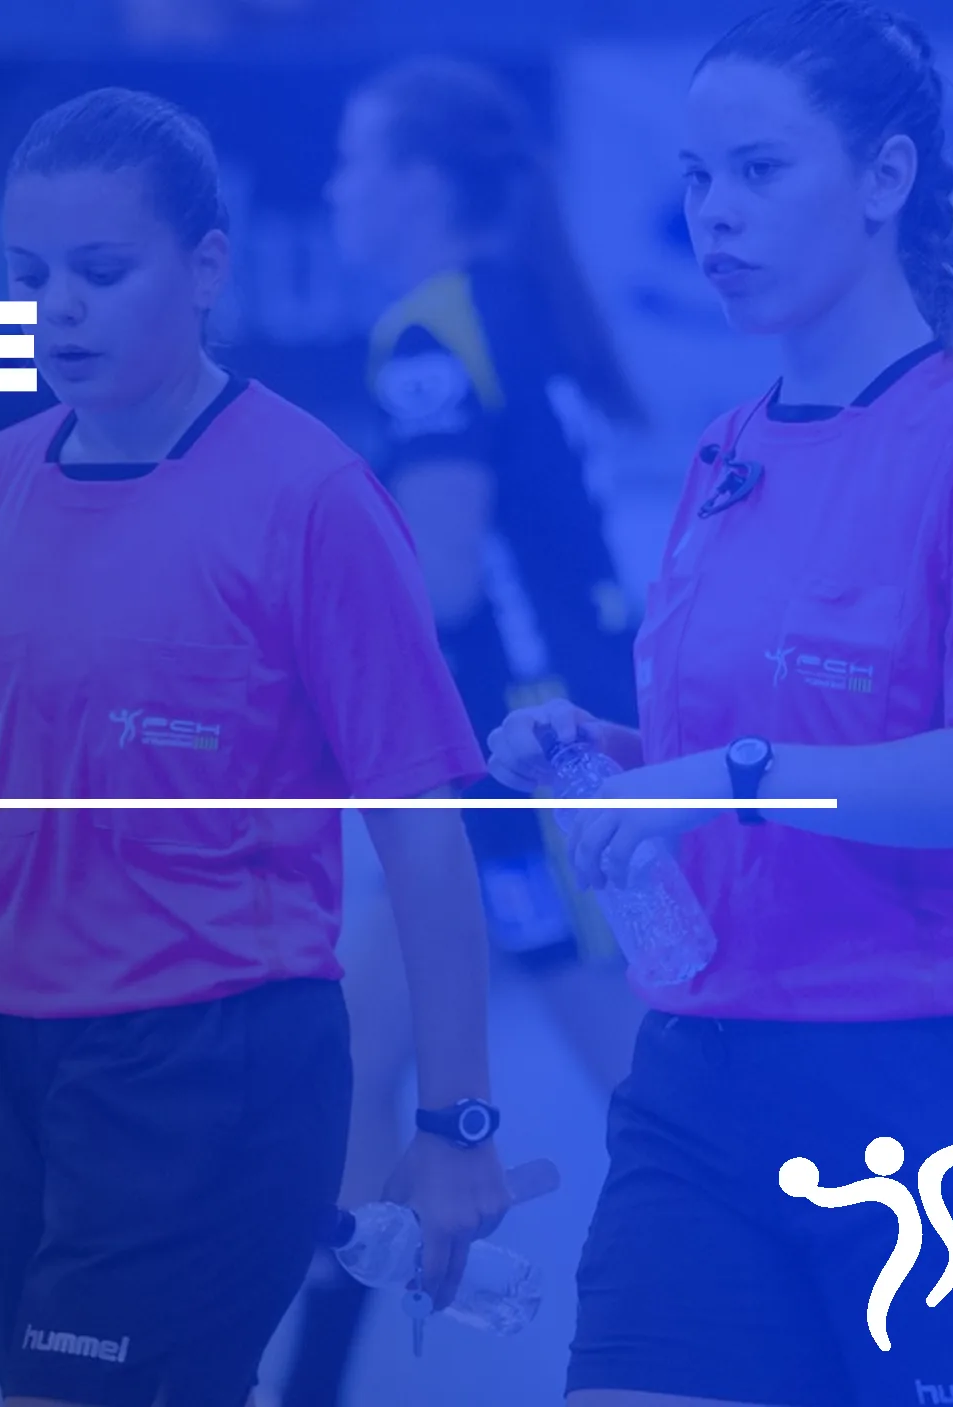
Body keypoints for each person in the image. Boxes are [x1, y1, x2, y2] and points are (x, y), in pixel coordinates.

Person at [0, 87, 517, 1407]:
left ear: (206, 267)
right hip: (13, 1065)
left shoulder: (312, 499)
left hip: (218, 1066)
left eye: (100, 271)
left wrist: (455, 1122)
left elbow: (426, 839)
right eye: (30, 275)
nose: (58, 308)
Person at [483, 5, 953, 1403]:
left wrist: (729, 774)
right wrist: (610, 758)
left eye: (760, 171)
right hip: (703, 1084)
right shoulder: (725, 450)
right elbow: (732, 756)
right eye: (697, 178)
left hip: (939, 1089)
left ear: (884, 178)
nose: (717, 213)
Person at [277, 54, 652, 1406]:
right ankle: (309, 1379)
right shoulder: (522, 303)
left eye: (354, 161)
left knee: (661, 1096)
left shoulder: (432, 329)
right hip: (514, 756)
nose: (336, 188)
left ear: (422, 184)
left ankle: (851, 1327)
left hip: (525, 763)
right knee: (351, 1068)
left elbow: (435, 580)